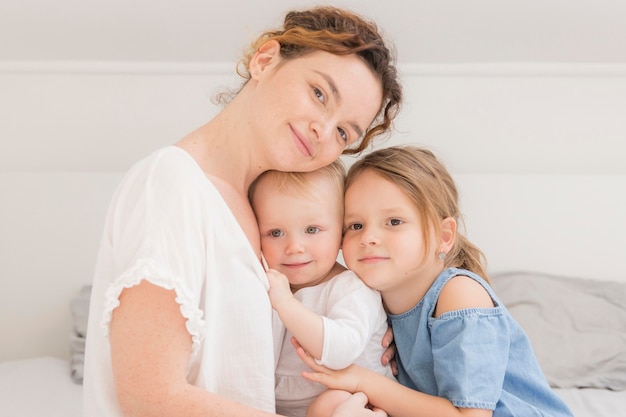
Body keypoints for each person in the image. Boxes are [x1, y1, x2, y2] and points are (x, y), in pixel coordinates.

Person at [82, 6, 402, 417]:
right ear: (264, 60)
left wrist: (374, 347)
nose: (324, 131)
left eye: (343, 132)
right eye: (320, 93)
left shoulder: (265, 214)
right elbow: (152, 396)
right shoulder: (173, 183)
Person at [296, 145, 575, 417]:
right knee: (330, 405)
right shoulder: (368, 300)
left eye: (394, 221)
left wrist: (363, 380)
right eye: (355, 225)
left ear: (444, 236)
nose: (368, 237)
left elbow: (470, 415)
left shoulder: (459, 293)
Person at [248, 161, 395, 417]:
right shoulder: (271, 282)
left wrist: (285, 304)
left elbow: (340, 352)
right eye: (275, 232)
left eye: (312, 230)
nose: (294, 246)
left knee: (331, 404)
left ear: (341, 233)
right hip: (286, 405)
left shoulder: (352, 288)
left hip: (359, 402)